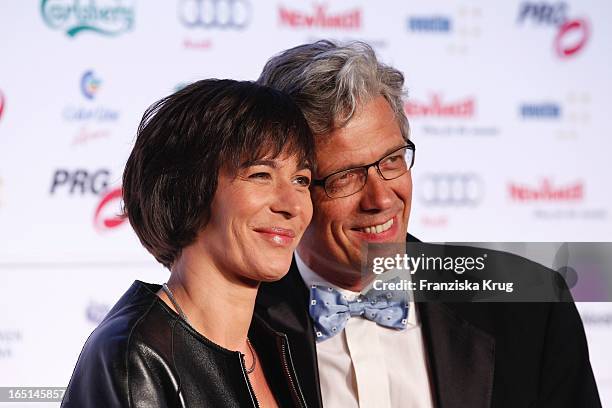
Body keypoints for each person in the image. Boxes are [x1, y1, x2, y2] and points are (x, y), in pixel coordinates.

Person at [256, 40, 601, 407]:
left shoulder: (530, 304)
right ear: (294, 189)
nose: (382, 199)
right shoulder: (241, 323)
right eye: (345, 177)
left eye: (391, 161)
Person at [61, 79, 314, 407]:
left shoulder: (278, 343)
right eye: (260, 175)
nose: (292, 205)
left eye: (301, 180)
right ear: (190, 187)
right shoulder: (135, 357)